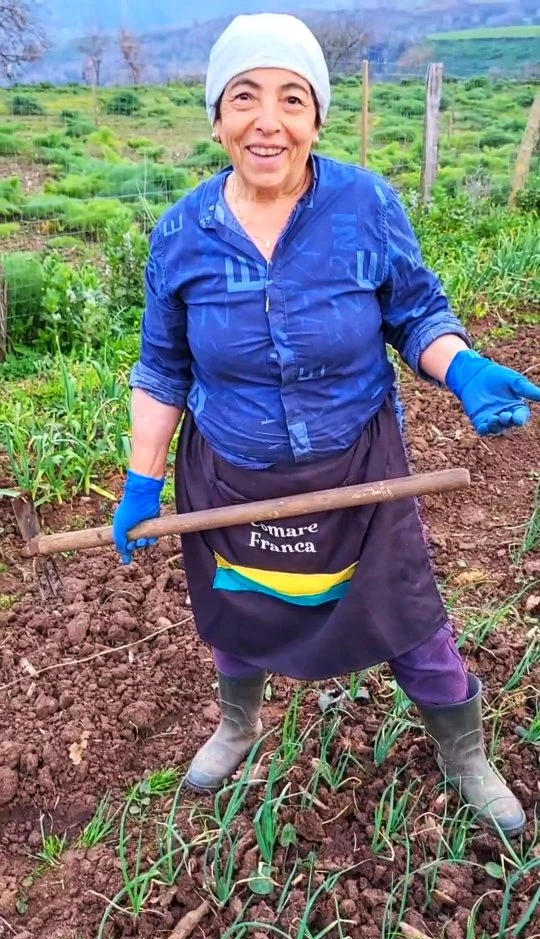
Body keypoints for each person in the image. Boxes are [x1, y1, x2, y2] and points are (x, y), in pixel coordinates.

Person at [113, 13, 540, 837]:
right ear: (217, 114)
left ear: (317, 116)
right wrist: (140, 480)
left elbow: (417, 316)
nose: (267, 119)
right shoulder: (181, 235)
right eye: (245, 96)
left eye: (291, 98)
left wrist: (464, 366)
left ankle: (464, 752)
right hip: (231, 469)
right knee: (239, 610)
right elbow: (164, 368)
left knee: (410, 616)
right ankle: (238, 724)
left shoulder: (364, 206)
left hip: (358, 467)